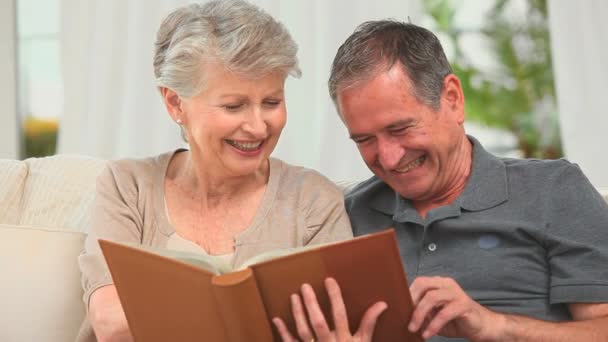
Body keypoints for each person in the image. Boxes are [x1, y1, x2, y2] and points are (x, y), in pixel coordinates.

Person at [274, 20, 608, 341]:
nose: (388, 158)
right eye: (364, 140)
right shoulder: (347, 214)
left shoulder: (553, 190)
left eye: (400, 129)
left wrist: (494, 327)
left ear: (452, 98)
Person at [75, 1, 353, 341]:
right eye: (233, 106)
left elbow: (334, 324)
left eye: (271, 102)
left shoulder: (315, 202)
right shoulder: (127, 187)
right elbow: (113, 324)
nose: (257, 126)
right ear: (175, 103)